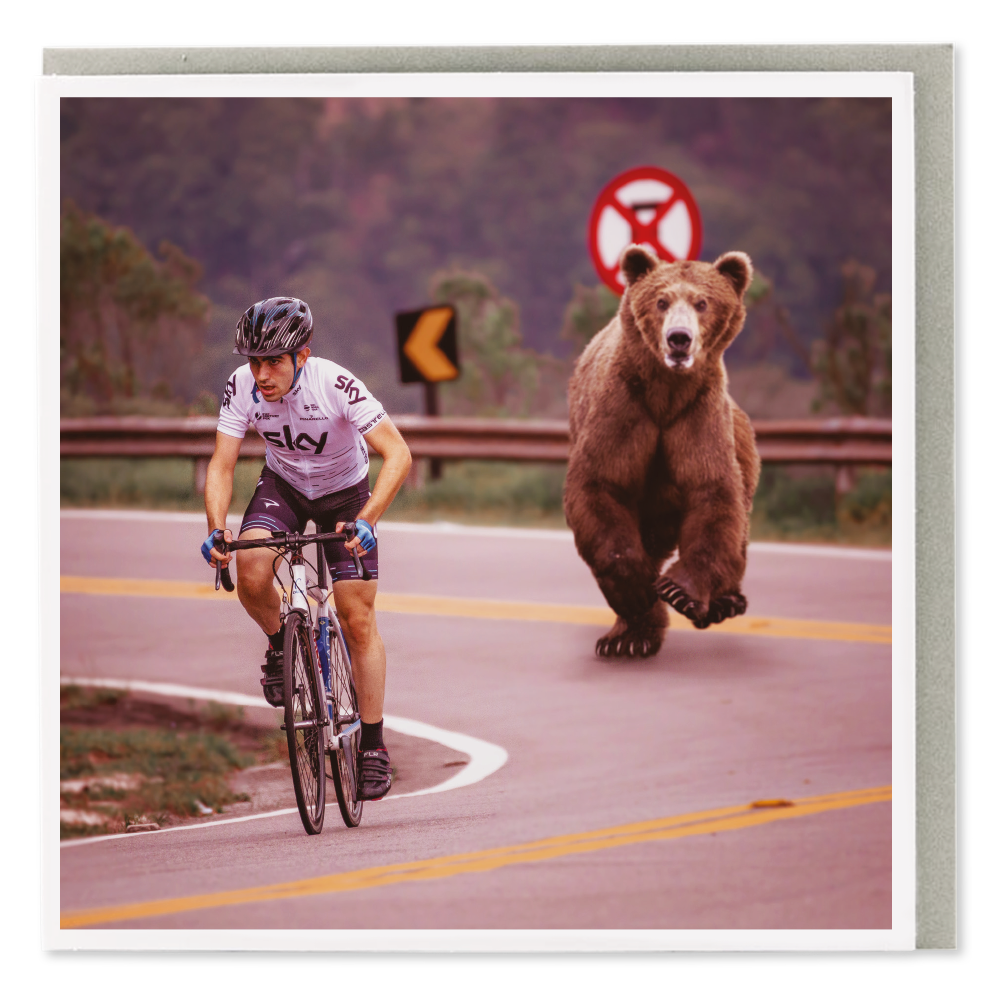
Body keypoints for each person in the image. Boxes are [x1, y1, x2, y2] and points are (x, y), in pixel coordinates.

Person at [201, 297, 411, 801]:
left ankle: (374, 747)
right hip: (285, 486)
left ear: (303, 355)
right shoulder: (242, 388)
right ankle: (280, 646)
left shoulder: (335, 384)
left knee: (355, 615)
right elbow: (222, 465)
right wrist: (216, 528)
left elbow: (398, 453)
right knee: (252, 569)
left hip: (347, 493)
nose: (262, 373)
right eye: (254, 361)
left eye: (274, 361)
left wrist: (367, 520)